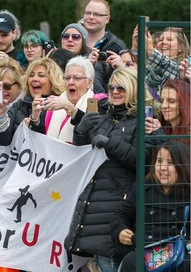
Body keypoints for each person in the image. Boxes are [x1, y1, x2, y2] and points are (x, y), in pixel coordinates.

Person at [64, 67, 152, 272]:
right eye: (111, 87)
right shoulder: (106, 116)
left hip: (118, 208)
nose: (115, 91)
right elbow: (83, 156)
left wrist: (110, 143)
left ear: (133, 88)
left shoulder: (143, 120)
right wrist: (81, 130)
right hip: (95, 206)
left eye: (121, 87)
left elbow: (143, 160)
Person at [110, 141, 190, 272]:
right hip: (144, 254)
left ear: (182, 165)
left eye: (170, 163)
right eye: (159, 161)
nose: (162, 168)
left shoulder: (188, 192)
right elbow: (121, 215)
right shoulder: (142, 188)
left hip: (179, 257)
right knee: (131, 262)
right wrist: (120, 231)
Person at [31, 56, 107, 143]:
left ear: (89, 83)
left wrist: (69, 107)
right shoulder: (54, 102)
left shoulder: (98, 101)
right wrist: (35, 118)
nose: (70, 82)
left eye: (77, 78)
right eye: (67, 78)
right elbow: (38, 140)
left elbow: (95, 131)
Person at [0, 57, 64, 146]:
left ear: (53, 81)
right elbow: (2, 141)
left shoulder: (61, 107)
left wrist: (34, 121)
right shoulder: (19, 105)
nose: (34, 79)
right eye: (31, 75)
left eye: (41, 75)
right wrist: (0, 116)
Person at [82, 0, 127, 85]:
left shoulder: (117, 45)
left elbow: (126, 78)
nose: (91, 17)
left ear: (107, 19)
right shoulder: (73, 40)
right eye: (87, 13)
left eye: (97, 14)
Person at [60, 23, 105, 93]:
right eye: (66, 36)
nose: (70, 39)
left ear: (84, 41)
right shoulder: (53, 60)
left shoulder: (93, 62)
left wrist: (87, 66)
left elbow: (98, 92)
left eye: (75, 37)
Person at [145, 27, 190, 95]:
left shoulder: (186, 66)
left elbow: (176, 73)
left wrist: (152, 52)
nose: (163, 42)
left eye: (169, 39)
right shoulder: (147, 67)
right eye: (161, 40)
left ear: (181, 47)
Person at [145, 79, 190, 145]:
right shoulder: (160, 125)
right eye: (162, 101)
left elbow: (176, 154)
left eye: (171, 101)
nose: (164, 106)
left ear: (185, 103)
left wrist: (159, 135)